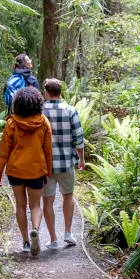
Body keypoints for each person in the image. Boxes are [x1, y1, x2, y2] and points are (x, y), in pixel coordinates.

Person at [0, 86, 53, 256]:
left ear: (17, 103)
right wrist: (47, 172)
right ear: (37, 103)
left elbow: (4, 150)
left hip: (16, 171)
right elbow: (48, 150)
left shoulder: (12, 122)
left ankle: (26, 241)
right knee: (35, 205)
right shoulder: (44, 122)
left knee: (20, 205)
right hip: (36, 171)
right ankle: (35, 229)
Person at [41, 78, 86, 248]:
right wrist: (81, 159)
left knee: (47, 201)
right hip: (67, 163)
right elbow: (79, 138)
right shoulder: (71, 110)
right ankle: (68, 232)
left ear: (46, 92)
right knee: (68, 196)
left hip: (46, 165)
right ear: (60, 92)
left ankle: (53, 239)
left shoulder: (40, 111)